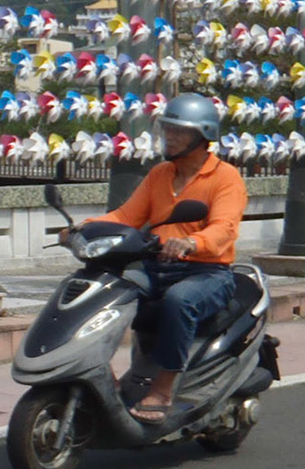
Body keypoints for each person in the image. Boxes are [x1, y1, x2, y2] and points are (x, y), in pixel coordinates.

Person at [70, 92, 248, 424]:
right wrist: (84, 228)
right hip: (158, 267)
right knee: (106, 291)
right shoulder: (160, 174)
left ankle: (163, 389)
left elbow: (224, 228)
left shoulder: (226, 178)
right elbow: (126, 216)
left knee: (179, 301)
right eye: (167, 128)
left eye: (179, 131)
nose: (170, 136)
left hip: (208, 273)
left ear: (203, 135)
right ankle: (103, 374)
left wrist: (191, 243)